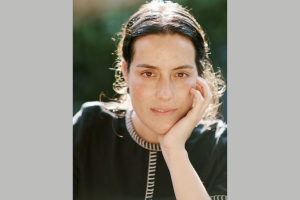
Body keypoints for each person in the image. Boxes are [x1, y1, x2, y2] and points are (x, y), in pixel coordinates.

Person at [73, 0, 227, 199]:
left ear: (199, 77)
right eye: (148, 73)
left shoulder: (221, 149)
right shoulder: (89, 129)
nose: (165, 93)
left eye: (180, 74)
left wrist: (175, 150)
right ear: (126, 72)